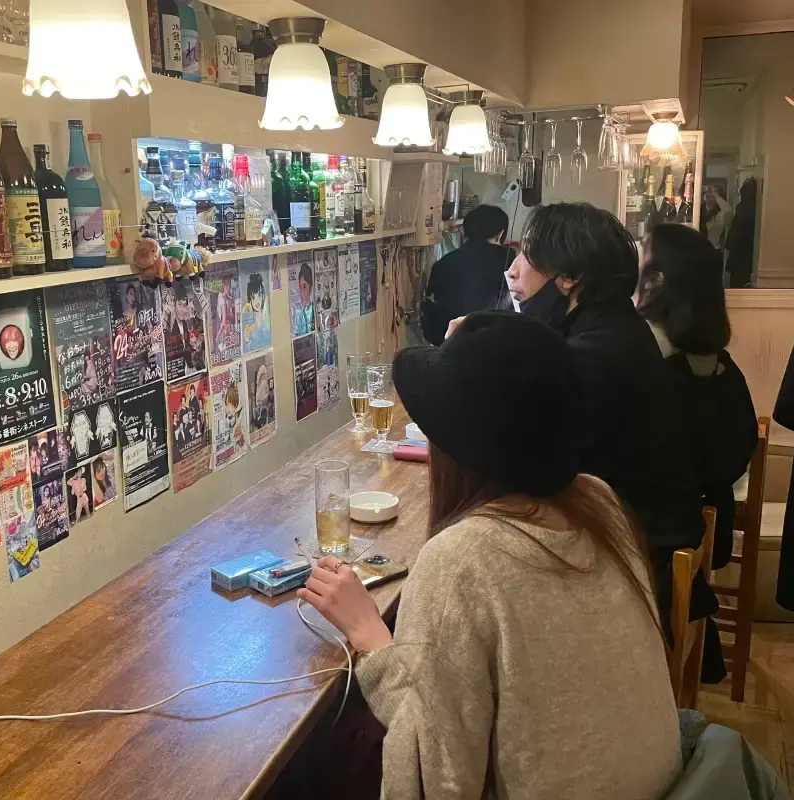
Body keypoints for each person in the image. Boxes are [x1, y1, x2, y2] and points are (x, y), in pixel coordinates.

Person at [300, 312, 681, 799]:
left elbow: (435, 779)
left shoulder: (461, 559)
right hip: (669, 786)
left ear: (453, 448)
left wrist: (370, 636)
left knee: (333, 753)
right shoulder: (601, 502)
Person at [499, 202, 719, 678]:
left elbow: (531, 463)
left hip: (635, 564)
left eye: (527, 258)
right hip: (646, 540)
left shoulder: (594, 353)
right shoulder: (618, 330)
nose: (511, 271)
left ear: (569, 277)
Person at [636, 223, 758, 569]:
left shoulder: (638, 349)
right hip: (708, 529)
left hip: (653, 540)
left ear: (657, 278)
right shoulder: (721, 366)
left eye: (643, 247)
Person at [421, 204, 511, 345]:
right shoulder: (511, 262)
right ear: (500, 234)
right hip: (497, 346)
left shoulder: (443, 263)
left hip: (449, 346)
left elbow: (433, 309)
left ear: (463, 232)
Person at [725, 178, 759, 288]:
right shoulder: (750, 208)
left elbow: (737, 232)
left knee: (737, 283)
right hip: (744, 254)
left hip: (741, 254)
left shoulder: (744, 208)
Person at [699, 184, 732, 252]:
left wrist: (716, 194)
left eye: (712, 194)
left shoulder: (719, 217)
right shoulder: (700, 213)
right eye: (707, 194)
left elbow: (728, 211)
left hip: (711, 253)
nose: (708, 197)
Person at [292, 262, 315, 334]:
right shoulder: (297, 311)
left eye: (304, 287)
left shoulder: (314, 309)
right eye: (300, 287)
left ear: (310, 287)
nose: (301, 292)